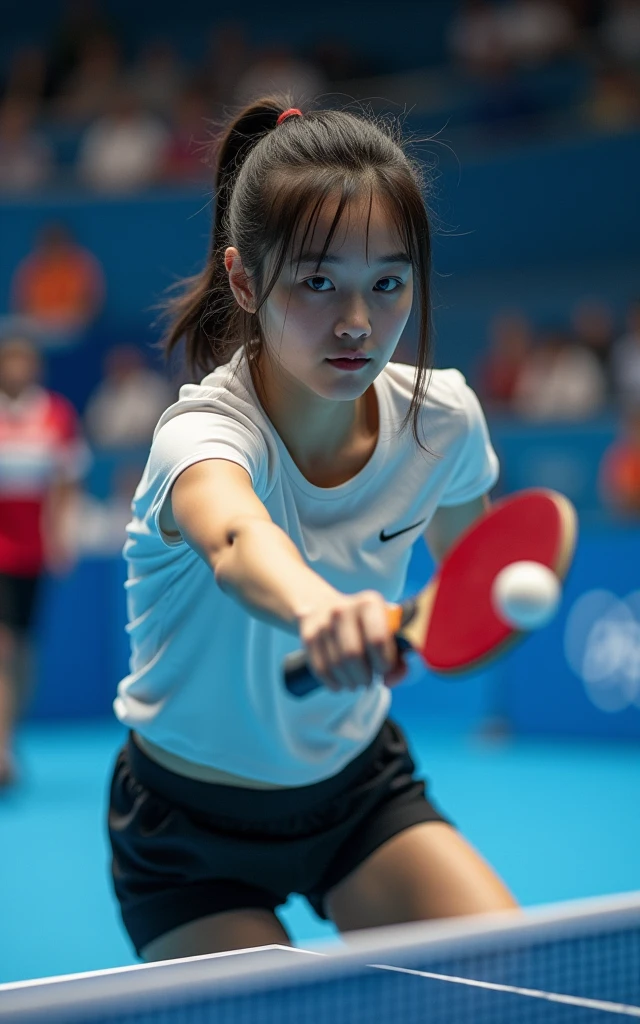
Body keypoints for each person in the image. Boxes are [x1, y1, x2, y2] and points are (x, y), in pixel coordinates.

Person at [108, 98, 518, 964]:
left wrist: (423, 623)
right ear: (246, 280)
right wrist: (321, 610)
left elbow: (467, 581)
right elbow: (234, 541)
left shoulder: (441, 421)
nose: (359, 322)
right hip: (188, 830)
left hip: (358, 794)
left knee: (517, 973)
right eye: (318, 281)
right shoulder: (204, 436)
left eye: (389, 281)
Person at [0, 336, 88, 787]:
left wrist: (60, 536)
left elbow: (67, 482)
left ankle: (8, 737)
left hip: (34, 552)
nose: (17, 370)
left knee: (23, 652)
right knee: (4, 646)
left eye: (24, 363)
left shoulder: (56, 414)